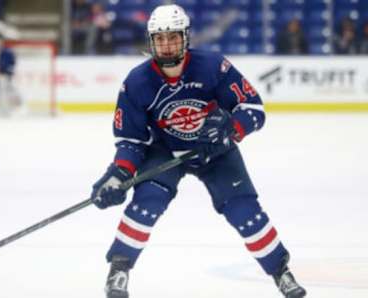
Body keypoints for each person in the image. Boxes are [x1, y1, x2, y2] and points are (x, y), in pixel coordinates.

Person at [89, 4, 307, 298]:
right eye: (160, 38)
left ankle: (281, 271)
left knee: (245, 211)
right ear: (151, 41)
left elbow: (253, 108)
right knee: (147, 201)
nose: (167, 45)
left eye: (173, 37)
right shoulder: (137, 82)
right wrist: (119, 173)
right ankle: (119, 269)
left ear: (186, 37)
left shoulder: (212, 66)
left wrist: (231, 129)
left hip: (215, 150)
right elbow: (131, 140)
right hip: (166, 152)